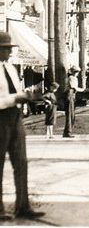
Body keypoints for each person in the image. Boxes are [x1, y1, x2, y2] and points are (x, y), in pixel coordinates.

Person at [0, 31, 45, 220]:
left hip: (15, 117)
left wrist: (31, 96)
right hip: (1, 117)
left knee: (21, 163)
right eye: (5, 49)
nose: (9, 53)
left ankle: (23, 206)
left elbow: (18, 92)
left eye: (9, 49)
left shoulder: (10, 68)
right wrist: (16, 98)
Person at [63, 65, 84, 138]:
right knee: (70, 114)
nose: (77, 73)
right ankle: (68, 132)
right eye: (76, 72)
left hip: (71, 95)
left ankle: (67, 131)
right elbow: (73, 87)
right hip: (70, 95)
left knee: (71, 114)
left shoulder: (71, 78)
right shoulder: (72, 78)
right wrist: (83, 89)